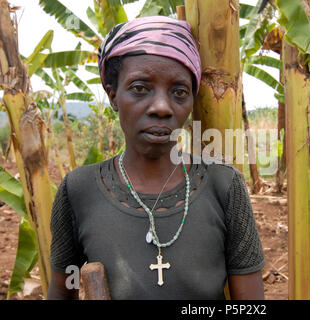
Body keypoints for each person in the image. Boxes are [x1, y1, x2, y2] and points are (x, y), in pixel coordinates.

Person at [47, 16, 265, 300]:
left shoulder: (225, 186)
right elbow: (62, 291)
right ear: (113, 96)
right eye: (140, 88)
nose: (161, 107)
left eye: (179, 92)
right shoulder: (78, 190)